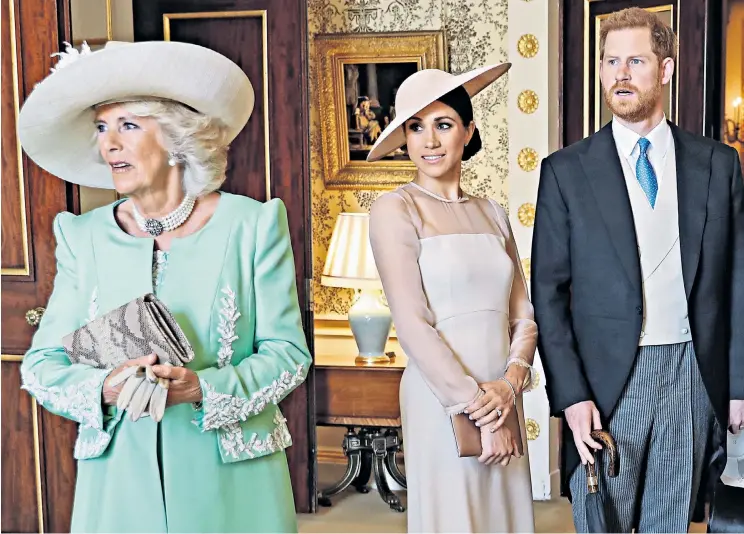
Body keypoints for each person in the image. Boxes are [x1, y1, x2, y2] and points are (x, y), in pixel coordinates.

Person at [17, 40, 311, 533]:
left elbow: (287, 354)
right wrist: (103, 386)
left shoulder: (253, 225)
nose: (109, 143)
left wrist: (203, 387)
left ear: (178, 138)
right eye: (102, 128)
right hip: (118, 481)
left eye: (128, 125)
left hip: (232, 481)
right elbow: (41, 367)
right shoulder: (81, 235)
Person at [531, 8, 744, 532]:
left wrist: (739, 386)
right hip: (608, 379)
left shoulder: (718, 164)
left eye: (635, 60)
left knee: (670, 521)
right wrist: (572, 396)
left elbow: (739, 281)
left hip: (692, 369)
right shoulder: (565, 171)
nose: (620, 74)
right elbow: (549, 295)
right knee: (600, 516)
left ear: (666, 70)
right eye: (610, 62)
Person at [367, 64, 537, 533]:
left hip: (503, 395)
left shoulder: (493, 213)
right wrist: (477, 407)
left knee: (504, 518)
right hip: (440, 398)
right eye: (416, 127)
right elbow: (413, 324)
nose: (429, 140)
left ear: (468, 130)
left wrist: (509, 386)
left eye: (443, 124)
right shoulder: (394, 209)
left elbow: (523, 316)